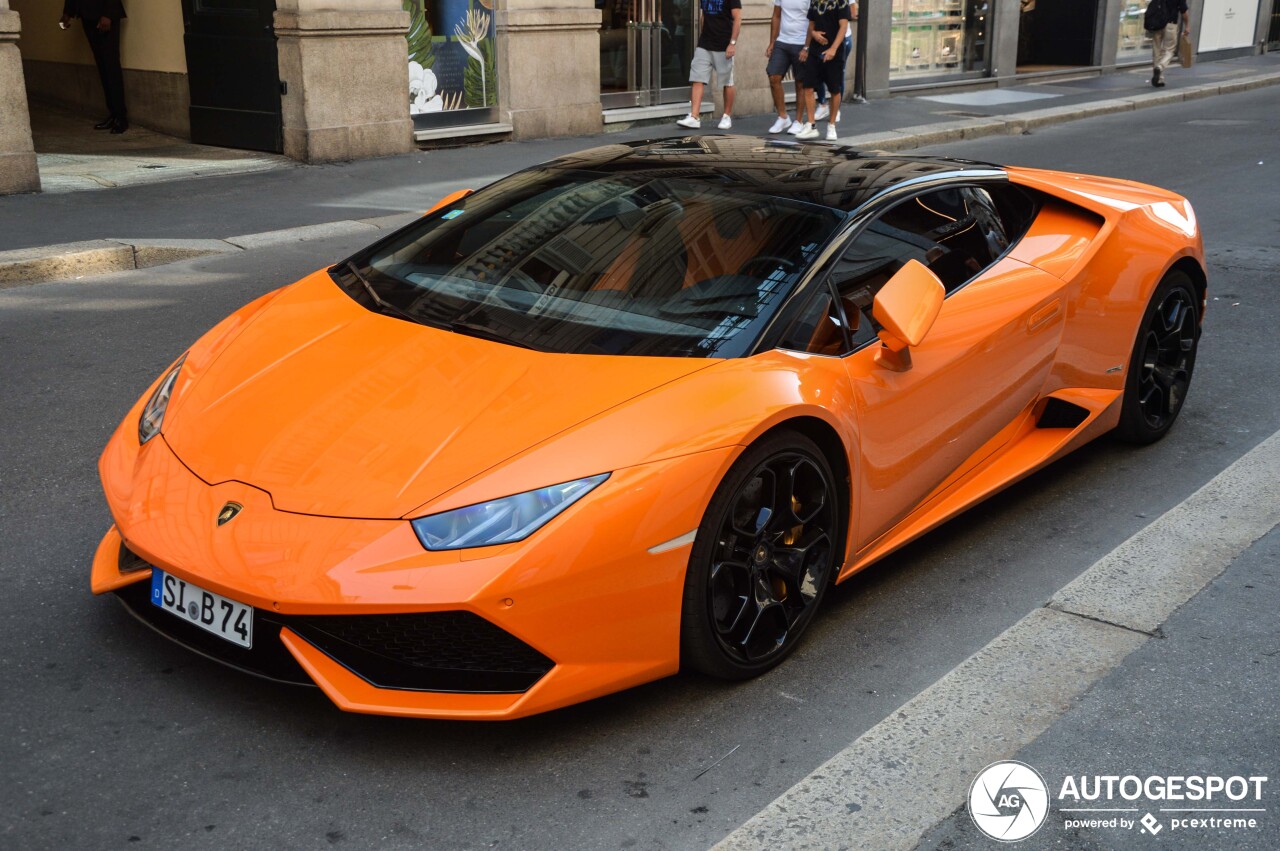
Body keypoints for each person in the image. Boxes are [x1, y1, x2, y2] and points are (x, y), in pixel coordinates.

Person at [59, 0, 128, 133]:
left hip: (105, 15)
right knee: (103, 67)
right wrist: (67, 13)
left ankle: (121, 117)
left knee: (111, 66)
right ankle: (113, 114)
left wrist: (107, 15)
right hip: (87, 15)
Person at [677, 0, 742, 130]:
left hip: (724, 44)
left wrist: (732, 43)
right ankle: (694, 117)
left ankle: (726, 116)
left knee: (727, 81)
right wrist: (703, 35)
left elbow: (737, 19)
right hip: (705, 43)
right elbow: (703, 16)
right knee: (697, 78)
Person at [797, 0, 851, 141]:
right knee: (808, 86)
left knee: (834, 90)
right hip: (815, 51)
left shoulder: (841, 2)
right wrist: (811, 38)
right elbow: (811, 25)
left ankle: (831, 126)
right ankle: (811, 125)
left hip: (835, 53)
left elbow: (844, 26)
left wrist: (833, 49)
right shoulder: (814, 1)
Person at [765, 0, 812, 136]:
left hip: (801, 42)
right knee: (773, 76)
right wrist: (772, 42)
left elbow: (812, 21)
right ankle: (783, 117)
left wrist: (807, 47)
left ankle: (798, 121)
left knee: (800, 82)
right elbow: (776, 16)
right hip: (783, 41)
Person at [814, 2, 855, 123]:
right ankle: (823, 105)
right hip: (822, 38)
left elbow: (853, 12)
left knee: (837, 74)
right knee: (817, 71)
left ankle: (835, 109)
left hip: (843, 39)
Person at [1145, 0, 1189, 88]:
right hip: (1170, 25)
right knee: (1169, 50)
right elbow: (1184, 12)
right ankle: (1160, 67)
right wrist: (1187, 26)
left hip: (1156, 24)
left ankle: (1159, 79)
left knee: (1157, 51)